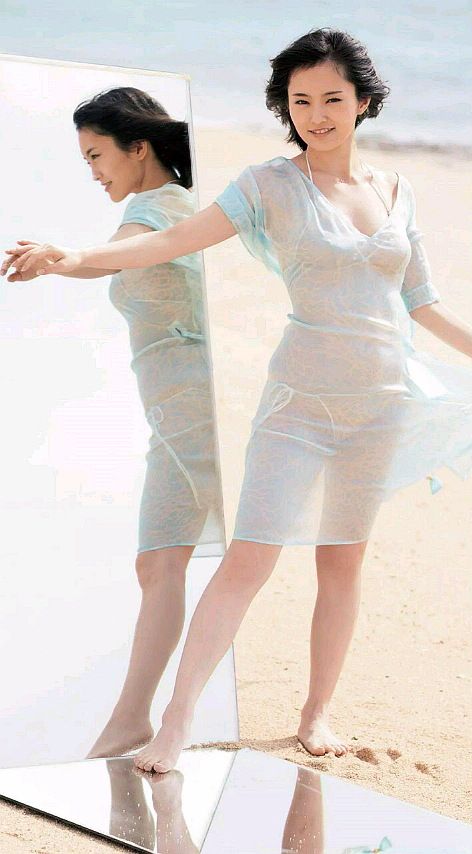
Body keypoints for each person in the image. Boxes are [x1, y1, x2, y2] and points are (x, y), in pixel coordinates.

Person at [3, 28, 472, 773]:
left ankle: (316, 715)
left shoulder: (395, 189)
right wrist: (76, 257)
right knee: (247, 562)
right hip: (299, 410)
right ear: (284, 106)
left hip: (380, 408)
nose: (316, 115)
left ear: (363, 101)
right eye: (300, 101)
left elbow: (423, 303)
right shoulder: (268, 185)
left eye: (332, 99)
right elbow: (170, 240)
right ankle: (173, 726)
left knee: (342, 565)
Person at [1, 86, 223, 759]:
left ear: (139, 147)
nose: (93, 171)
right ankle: (133, 719)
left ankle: (145, 719)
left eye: (97, 155)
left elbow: (125, 253)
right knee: (159, 562)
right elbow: (116, 257)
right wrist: (59, 264)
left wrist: (65, 256)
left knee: (187, 560)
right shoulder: (149, 211)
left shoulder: (169, 207)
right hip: (173, 416)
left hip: (195, 410)